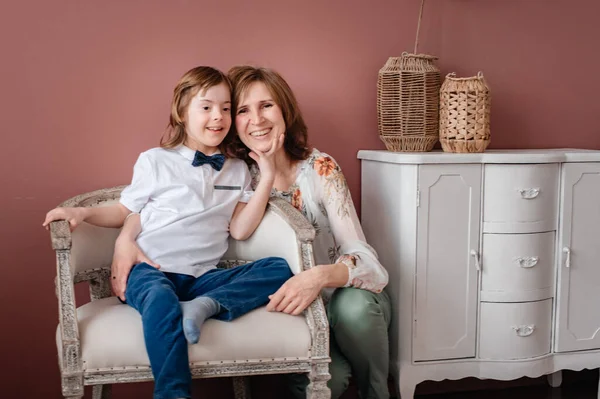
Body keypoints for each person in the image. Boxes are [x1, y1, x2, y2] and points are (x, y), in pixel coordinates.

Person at [42, 66, 291, 399]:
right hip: (151, 271)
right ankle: (173, 393)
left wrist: (268, 171)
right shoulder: (156, 161)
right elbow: (123, 211)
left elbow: (240, 229)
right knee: (161, 298)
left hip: (203, 277)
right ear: (182, 113)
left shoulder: (237, 168)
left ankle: (206, 305)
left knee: (278, 269)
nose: (218, 116)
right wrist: (82, 212)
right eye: (206, 107)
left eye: (226, 108)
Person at [226, 65, 392, 399]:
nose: (256, 119)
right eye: (244, 110)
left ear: (285, 110)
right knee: (328, 383)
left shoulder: (321, 168)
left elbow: (366, 261)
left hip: (347, 300)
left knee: (354, 310)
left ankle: (379, 393)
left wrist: (317, 277)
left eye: (266, 105)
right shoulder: (235, 180)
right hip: (295, 317)